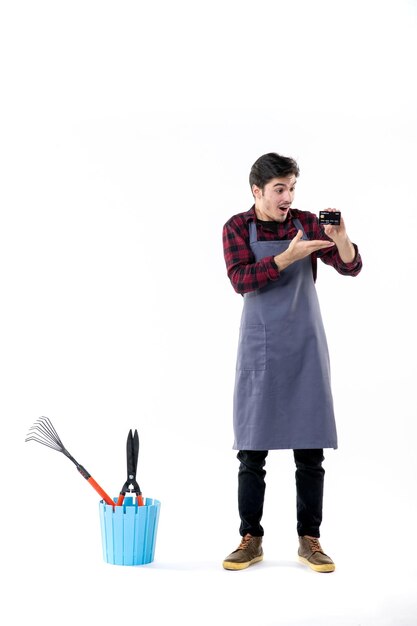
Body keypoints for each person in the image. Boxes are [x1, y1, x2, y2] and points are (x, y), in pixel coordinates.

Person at [222, 152, 362, 573]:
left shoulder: (305, 222)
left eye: (292, 188)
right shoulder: (236, 227)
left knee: (310, 450)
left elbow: (351, 266)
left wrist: (340, 236)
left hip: (304, 345)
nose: (288, 197)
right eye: (280, 189)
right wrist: (287, 256)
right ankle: (251, 538)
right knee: (251, 451)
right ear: (257, 191)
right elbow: (240, 279)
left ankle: (310, 540)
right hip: (260, 347)